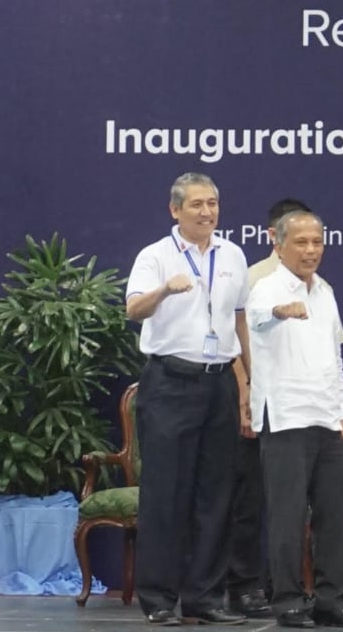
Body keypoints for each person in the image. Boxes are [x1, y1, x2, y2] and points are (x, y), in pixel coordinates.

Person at [125, 172, 250, 626]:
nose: (207, 212)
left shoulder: (232, 254)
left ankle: (205, 598)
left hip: (220, 382)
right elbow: (133, 309)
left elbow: (240, 322)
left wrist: (248, 384)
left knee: (215, 494)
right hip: (170, 383)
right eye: (197, 204)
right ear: (175, 210)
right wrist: (164, 290)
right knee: (165, 494)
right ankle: (159, 599)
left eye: (213, 203)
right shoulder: (154, 256)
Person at [247, 210, 343, 629]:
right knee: (288, 515)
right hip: (284, 417)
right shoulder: (266, 287)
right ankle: (288, 602)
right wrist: (281, 310)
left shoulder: (326, 293)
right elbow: (259, 317)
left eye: (317, 242)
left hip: (325, 416)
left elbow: (334, 357)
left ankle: (331, 600)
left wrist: (342, 412)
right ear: (279, 245)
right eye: (301, 242)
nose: (311, 250)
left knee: (335, 515)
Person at [227, 198, 312, 618]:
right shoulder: (254, 280)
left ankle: (287, 587)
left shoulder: (315, 284)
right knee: (249, 501)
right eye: (294, 236)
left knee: (288, 503)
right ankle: (243, 585)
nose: (306, 247)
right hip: (259, 403)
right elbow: (231, 342)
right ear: (273, 237)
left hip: (299, 411)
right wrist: (245, 392)